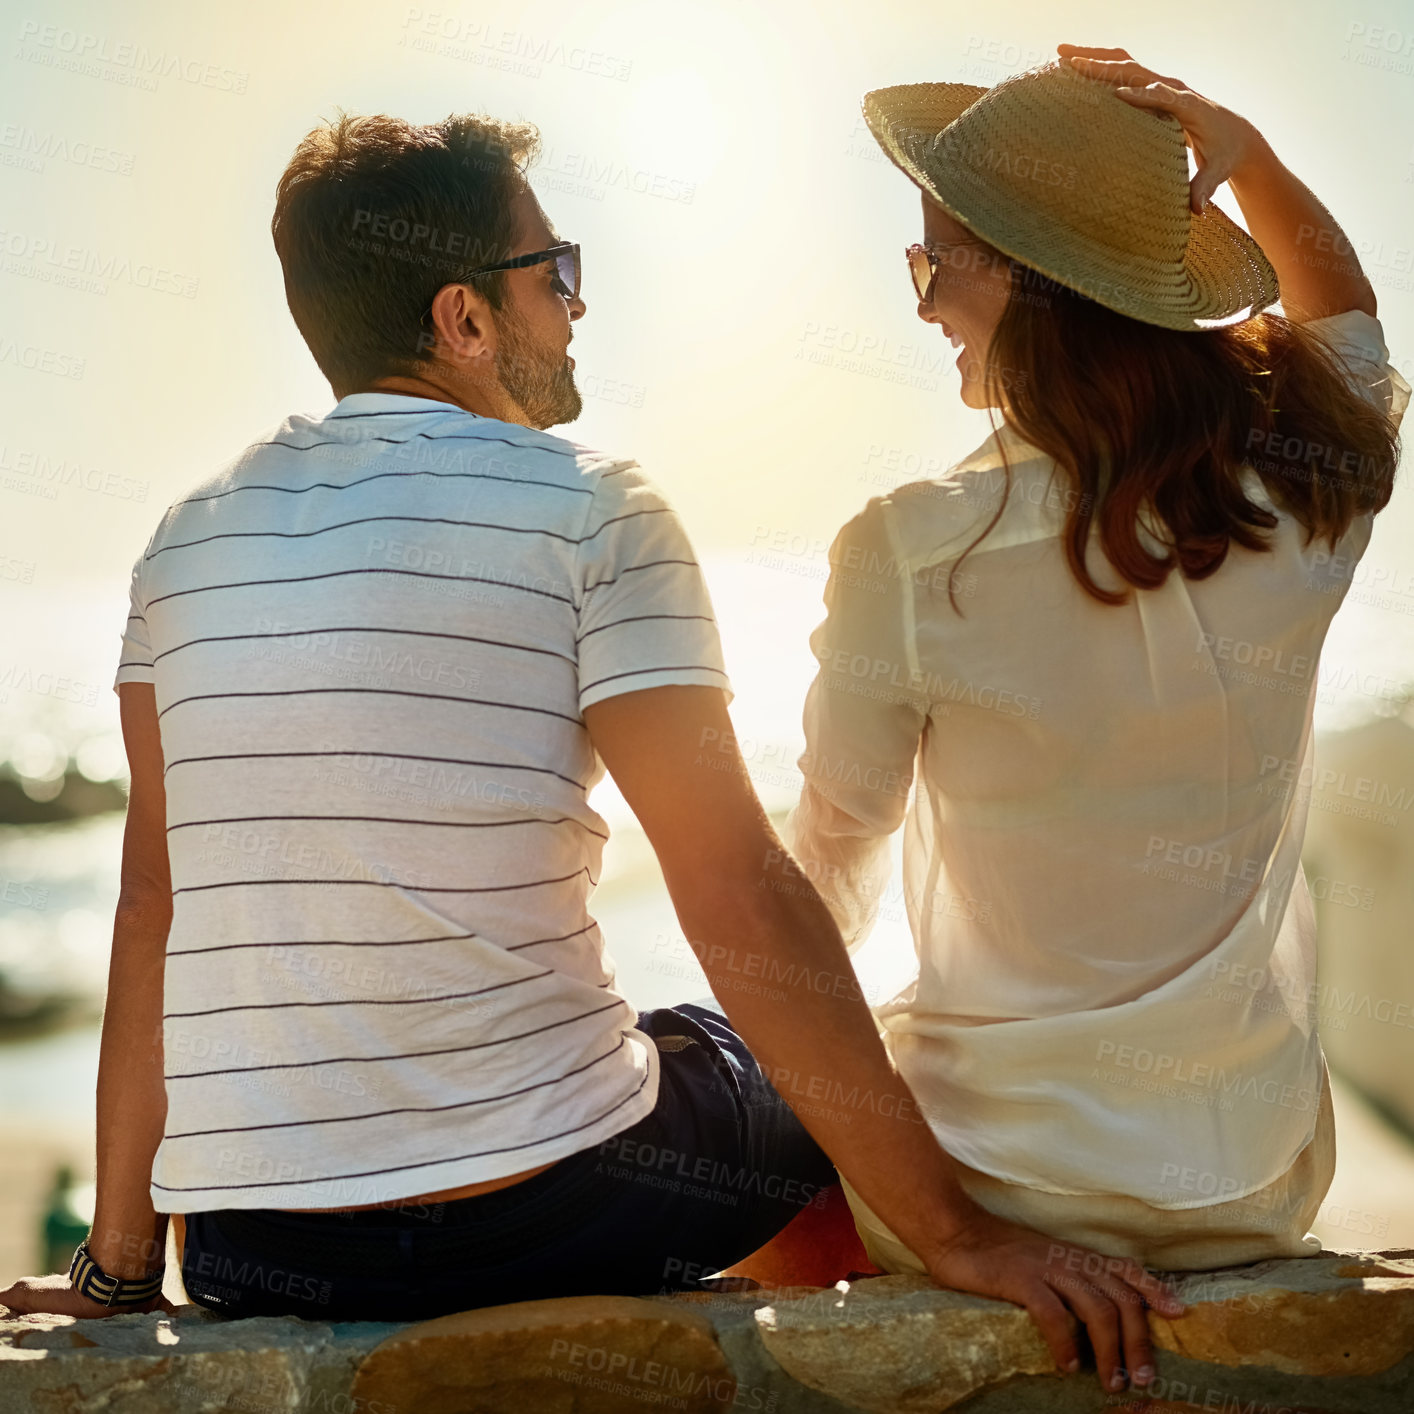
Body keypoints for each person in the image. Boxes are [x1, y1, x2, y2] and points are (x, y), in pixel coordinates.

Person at [0, 104, 1183, 1394]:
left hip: (255, 1246)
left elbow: (156, 904)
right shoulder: (591, 510)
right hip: (549, 1210)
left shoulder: (185, 542)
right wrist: (961, 1233)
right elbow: (734, 882)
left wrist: (119, 1272)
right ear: (464, 318)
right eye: (552, 275)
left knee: (702, 1041)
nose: (574, 309)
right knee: (862, 1054)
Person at [788, 43, 1408, 1302]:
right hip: (1246, 1182)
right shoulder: (1305, 497)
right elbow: (1344, 316)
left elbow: (825, 877)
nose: (917, 304)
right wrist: (1245, 148)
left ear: (1026, 284)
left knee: (739, 1125)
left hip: (992, 1185)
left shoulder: (911, 551)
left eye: (930, 263)